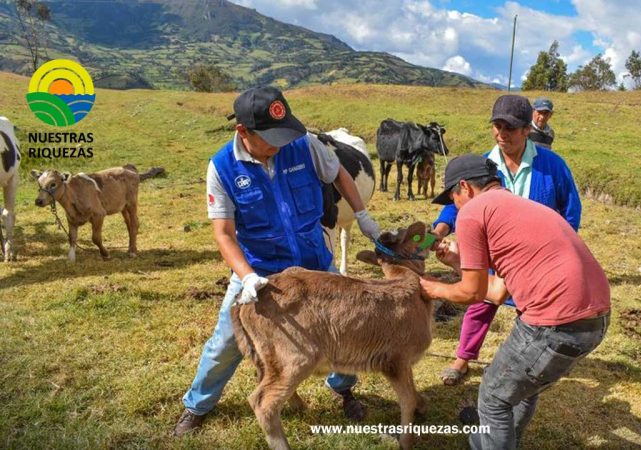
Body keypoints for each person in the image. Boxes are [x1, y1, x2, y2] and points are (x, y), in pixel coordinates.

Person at [172, 86, 382, 436]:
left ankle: (343, 388)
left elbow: (338, 174)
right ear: (243, 131)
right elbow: (224, 234)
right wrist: (247, 276)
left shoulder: (305, 145)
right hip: (260, 270)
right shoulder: (222, 168)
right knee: (226, 342)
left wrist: (362, 214)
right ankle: (197, 405)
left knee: (344, 327)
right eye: (271, 138)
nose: (281, 145)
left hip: (314, 263)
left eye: (284, 135)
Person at [420, 154, 610, 450]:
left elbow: (471, 293)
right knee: (520, 388)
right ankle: (501, 441)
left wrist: (432, 288)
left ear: (465, 187)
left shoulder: (472, 212)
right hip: (595, 320)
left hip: (555, 321)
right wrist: (458, 262)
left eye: (453, 199)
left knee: (493, 396)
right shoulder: (522, 208)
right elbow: (496, 292)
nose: (454, 207)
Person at [431, 94, 581, 385]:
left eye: (509, 128)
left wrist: (558, 250)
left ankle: (529, 361)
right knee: (481, 301)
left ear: (527, 129)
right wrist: (440, 229)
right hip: (493, 250)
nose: (501, 134)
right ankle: (463, 358)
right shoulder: (482, 165)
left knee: (532, 311)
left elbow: (570, 211)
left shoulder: (552, 166)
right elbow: (458, 202)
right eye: (497, 126)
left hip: (536, 259)